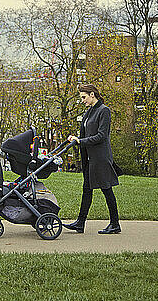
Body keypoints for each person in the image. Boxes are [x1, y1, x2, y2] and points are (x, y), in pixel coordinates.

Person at [64, 84, 121, 234]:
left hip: (101, 157)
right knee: (87, 189)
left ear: (92, 95)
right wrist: (75, 138)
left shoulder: (104, 111)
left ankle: (115, 224)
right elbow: (84, 133)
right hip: (90, 158)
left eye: (84, 97)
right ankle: (80, 223)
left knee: (106, 189)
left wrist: (80, 141)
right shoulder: (89, 112)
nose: (82, 100)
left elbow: (101, 136)